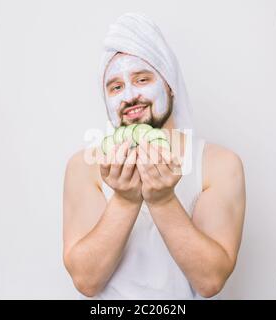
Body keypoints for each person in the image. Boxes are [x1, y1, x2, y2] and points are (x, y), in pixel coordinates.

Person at [63, 13, 246, 299]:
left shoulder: (219, 165)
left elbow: (210, 280)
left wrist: (163, 200)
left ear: (170, 84)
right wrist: (124, 200)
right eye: (116, 87)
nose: (129, 96)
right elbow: (86, 281)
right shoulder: (84, 167)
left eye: (142, 78)